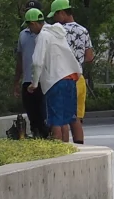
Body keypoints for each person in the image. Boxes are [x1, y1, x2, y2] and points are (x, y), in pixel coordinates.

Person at [31, 10, 82, 143]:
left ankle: (58, 152)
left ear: (34, 23)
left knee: (55, 121)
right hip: (70, 78)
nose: (29, 30)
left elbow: (37, 62)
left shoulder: (43, 36)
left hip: (55, 81)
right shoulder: (59, 34)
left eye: (29, 26)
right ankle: (71, 149)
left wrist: (34, 83)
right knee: (67, 119)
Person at [50, 0, 92, 141]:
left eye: (55, 15)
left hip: (63, 78)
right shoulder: (83, 30)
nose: (55, 19)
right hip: (79, 78)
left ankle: (67, 152)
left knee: (62, 119)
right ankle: (80, 148)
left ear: (62, 13)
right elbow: (89, 56)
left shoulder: (57, 31)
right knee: (76, 119)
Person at [17, 8, 47, 139]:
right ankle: (36, 136)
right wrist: (16, 80)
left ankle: (47, 137)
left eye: (30, 24)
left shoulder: (48, 34)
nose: (29, 27)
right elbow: (20, 58)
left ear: (34, 23)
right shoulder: (23, 35)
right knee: (32, 114)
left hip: (45, 81)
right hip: (28, 81)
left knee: (44, 115)